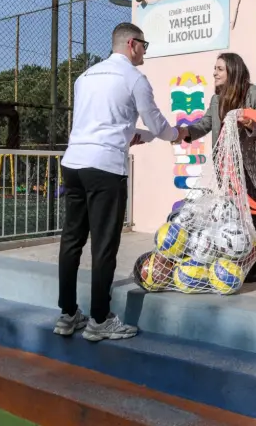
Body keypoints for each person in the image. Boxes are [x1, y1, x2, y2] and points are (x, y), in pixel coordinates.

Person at [55, 22, 181, 342]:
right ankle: (99, 320)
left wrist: (130, 135)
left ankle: (67, 314)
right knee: (104, 245)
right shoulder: (134, 78)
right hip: (105, 168)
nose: (145, 52)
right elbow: (156, 122)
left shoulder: (85, 77)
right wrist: (176, 135)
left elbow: (98, 122)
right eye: (144, 46)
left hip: (73, 164)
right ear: (131, 44)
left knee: (71, 241)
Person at [177, 53, 256, 284]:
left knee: (255, 216)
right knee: (233, 217)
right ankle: (241, 261)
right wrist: (185, 132)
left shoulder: (255, 94)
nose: (214, 72)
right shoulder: (216, 99)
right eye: (215, 68)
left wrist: (248, 121)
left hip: (255, 168)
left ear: (233, 70)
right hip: (229, 168)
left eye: (219, 68)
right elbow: (205, 124)